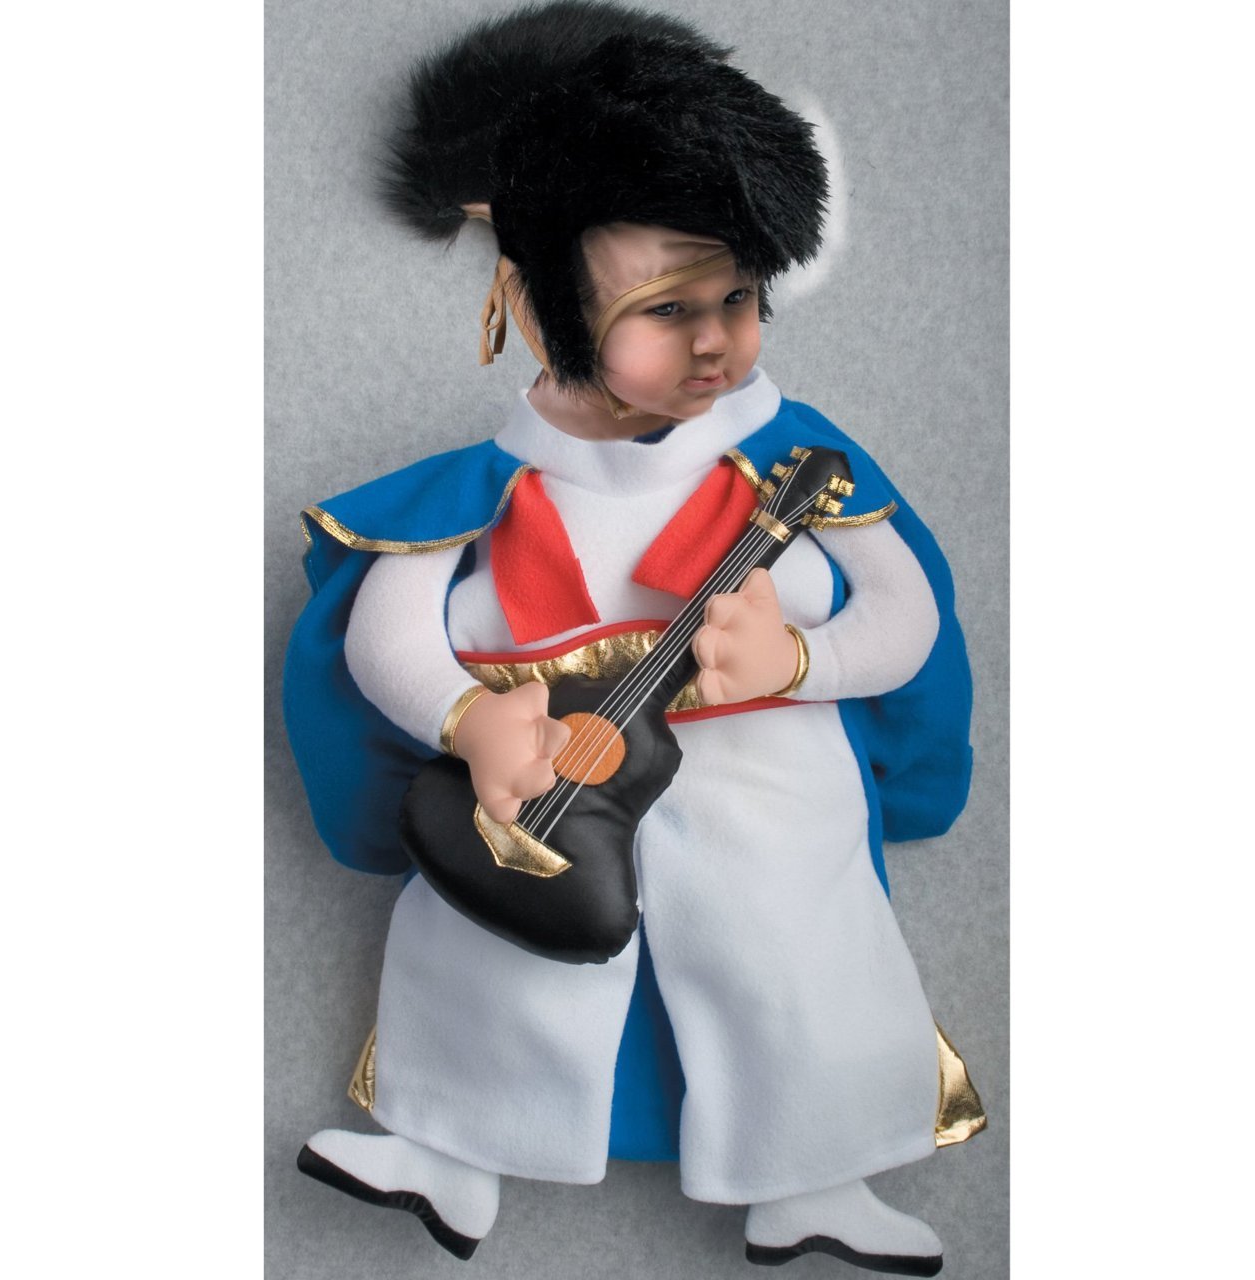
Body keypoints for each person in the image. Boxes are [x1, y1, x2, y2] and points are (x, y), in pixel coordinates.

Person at [284, 4, 980, 1274]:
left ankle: (813, 1175)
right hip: (541, 765)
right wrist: (465, 717)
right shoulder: (478, 490)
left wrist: (800, 663)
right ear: (530, 299)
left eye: (738, 296)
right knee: (487, 943)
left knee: (791, 954)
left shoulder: (793, 465)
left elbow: (905, 616)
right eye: (666, 307)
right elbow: (388, 631)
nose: (715, 340)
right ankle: (447, 1149)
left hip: (766, 771)